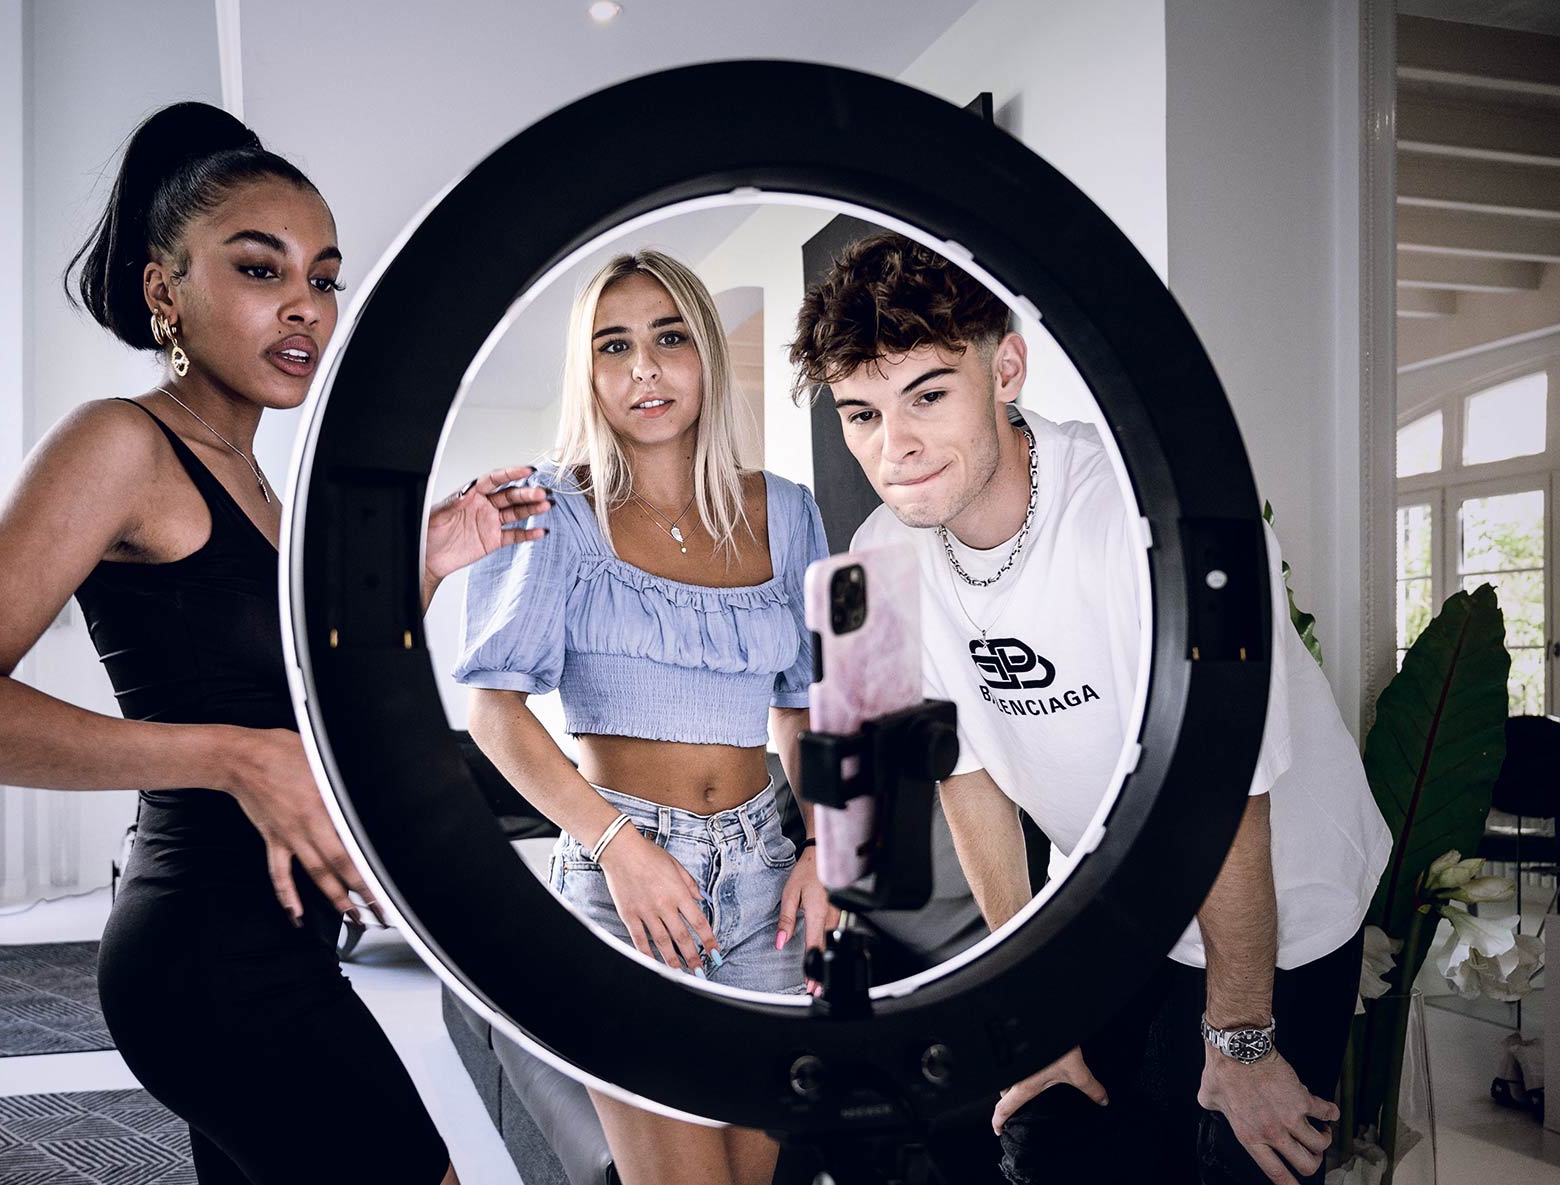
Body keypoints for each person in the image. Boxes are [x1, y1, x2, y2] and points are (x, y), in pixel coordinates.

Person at [0, 102, 547, 1185]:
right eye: (260, 269)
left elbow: (297, 691)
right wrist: (229, 757)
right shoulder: (121, 442)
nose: (306, 306)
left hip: (284, 939)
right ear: (163, 289)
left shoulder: (264, 483)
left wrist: (425, 561)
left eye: (324, 277)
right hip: (211, 953)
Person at [788, 231, 1392, 1185]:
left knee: (1236, 1159)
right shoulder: (877, 560)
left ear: (1006, 369)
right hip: (1111, 895)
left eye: (928, 395)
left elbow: (1226, 794)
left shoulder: (1156, 520)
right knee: (1059, 1148)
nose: (892, 448)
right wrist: (1031, 1014)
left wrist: (1240, 1037)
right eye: (862, 413)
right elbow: (966, 782)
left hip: (1282, 898)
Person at [455, 250, 836, 1185]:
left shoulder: (788, 512)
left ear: (705, 352)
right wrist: (620, 848)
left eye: (669, 337)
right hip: (624, 874)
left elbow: (806, 707)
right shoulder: (551, 508)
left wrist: (825, 851)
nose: (645, 369)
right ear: (587, 371)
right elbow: (493, 712)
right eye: (613, 345)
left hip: (768, 878)